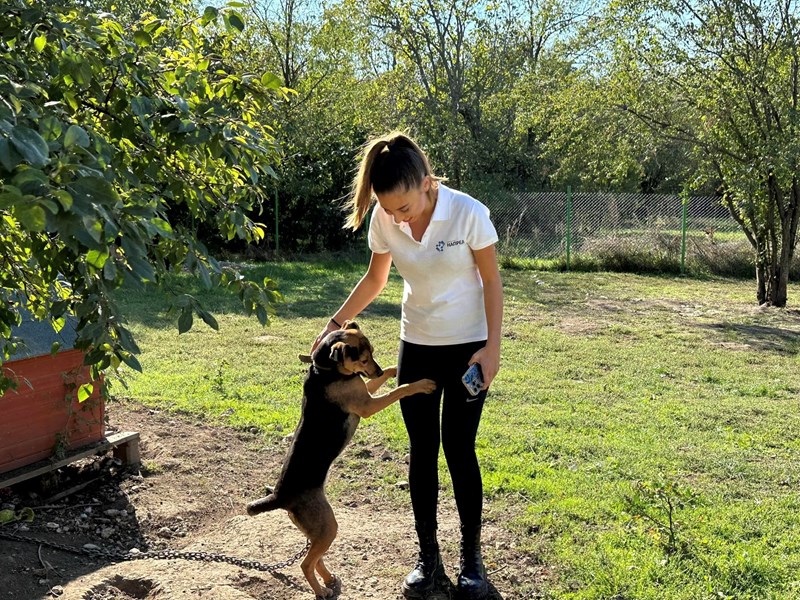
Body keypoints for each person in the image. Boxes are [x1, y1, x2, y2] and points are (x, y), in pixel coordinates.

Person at [311, 131, 503, 600]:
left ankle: (472, 561)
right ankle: (428, 560)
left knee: (459, 448)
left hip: (467, 349)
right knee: (422, 450)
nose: (398, 218)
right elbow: (375, 278)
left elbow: (492, 281)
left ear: (426, 183)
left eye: (405, 207)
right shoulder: (385, 217)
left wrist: (492, 348)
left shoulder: (468, 213)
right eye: (389, 209)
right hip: (416, 344)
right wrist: (334, 323)